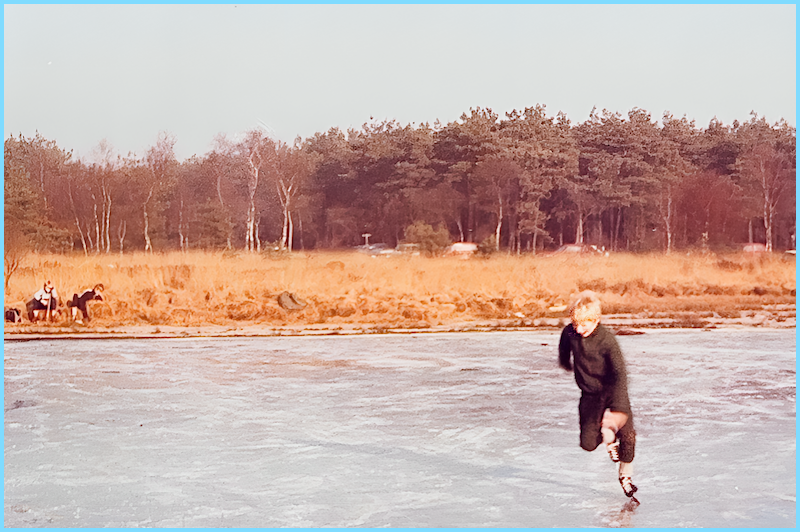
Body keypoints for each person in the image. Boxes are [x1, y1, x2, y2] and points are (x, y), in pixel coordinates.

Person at [558, 290, 638, 499]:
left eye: (584, 324)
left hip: (613, 393)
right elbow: (565, 347)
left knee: (628, 436)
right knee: (588, 444)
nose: (579, 328)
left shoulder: (607, 340)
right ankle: (608, 438)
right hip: (590, 396)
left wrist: (618, 407)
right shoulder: (570, 333)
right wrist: (565, 361)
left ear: (596, 320)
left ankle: (626, 477)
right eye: (575, 323)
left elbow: (620, 373)